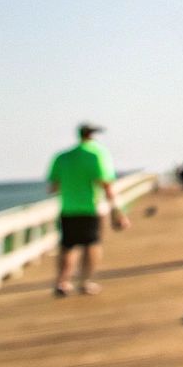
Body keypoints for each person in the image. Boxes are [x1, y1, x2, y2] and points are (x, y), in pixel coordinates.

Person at [46, 122, 129, 297]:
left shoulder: (62, 157)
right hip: (90, 208)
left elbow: (52, 187)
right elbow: (106, 184)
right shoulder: (96, 154)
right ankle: (85, 282)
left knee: (67, 246)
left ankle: (62, 281)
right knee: (91, 245)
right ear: (93, 136)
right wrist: (117, 211)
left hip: (68, 208)